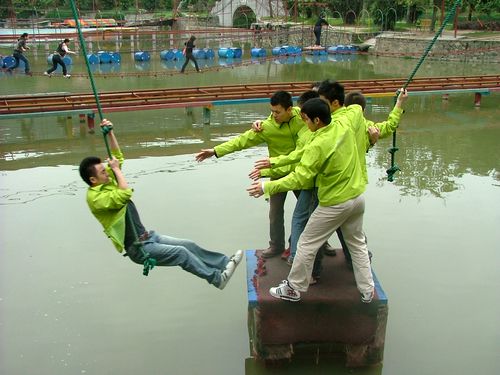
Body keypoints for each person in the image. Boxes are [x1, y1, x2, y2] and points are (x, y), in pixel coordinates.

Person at [79, 119, 242, 289]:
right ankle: (217, 279)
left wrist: (110, 133)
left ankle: (223, 263)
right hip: (138, 248)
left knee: (188, 245)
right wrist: (117, 170)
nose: (107, 172)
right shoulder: (96, 199)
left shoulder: (105, 183)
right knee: (181, 254)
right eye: (103, 171)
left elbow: (118, 158)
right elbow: (124, 194)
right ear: (93, 180)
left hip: (148, 237)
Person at [247, 98, 374, 303]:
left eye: (306, 120)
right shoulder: (343, 124)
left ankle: (294, 288)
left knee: (306, 243)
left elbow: (299, 177)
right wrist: (275, 161)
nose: (304, 124)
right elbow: (357, 107)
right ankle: (367, 290)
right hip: (357, 198)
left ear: (316, 120)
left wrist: (266, 186)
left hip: (335, 203)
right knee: (357, 244)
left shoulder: (318, 144)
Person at [196, 91, 305, 259]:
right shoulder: (267, 127)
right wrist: (216, 151)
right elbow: (241, 141)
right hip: (277, 174)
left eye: (278, 112)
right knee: (275, 213)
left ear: (290, 109)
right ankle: (276, 246)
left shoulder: (303, 118)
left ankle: (305, 244)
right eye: (272, 111)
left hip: (301, 173)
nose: (274, 115)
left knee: (308, 212)